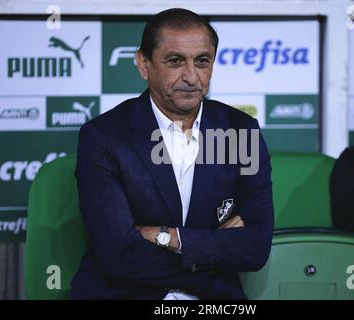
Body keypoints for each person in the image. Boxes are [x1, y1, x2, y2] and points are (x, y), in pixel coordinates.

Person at [71, 8, 274, 300]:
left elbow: (255, 247)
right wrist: (216, 253)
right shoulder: (104, 136)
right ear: (144, 64)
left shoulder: (241, 131)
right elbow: (118, 255)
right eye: (175, 61)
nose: (191, 77)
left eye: (202, 61)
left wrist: (166, 237)